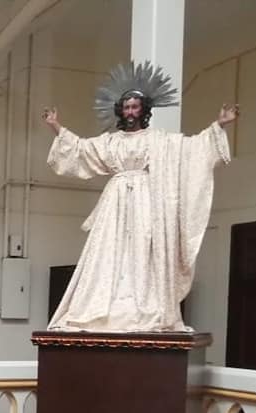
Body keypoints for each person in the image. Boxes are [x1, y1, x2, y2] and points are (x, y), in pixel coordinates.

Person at [42, 61, 239, 332]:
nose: (130, 112)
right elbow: (81, 149)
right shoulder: (111, 141)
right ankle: (104, 306)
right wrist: (56, 126)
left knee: (144, 247)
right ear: (120, 110)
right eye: (126, 107)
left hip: (147, 201)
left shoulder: (158, 139)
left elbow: (191, 148)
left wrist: (219, 126)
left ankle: (143, 305)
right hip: (116, 201)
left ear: (144, 110)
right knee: (108, 249)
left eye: (135, 107)